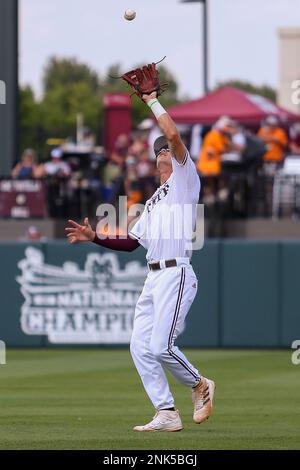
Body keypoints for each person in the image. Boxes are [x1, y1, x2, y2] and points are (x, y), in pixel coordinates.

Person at [65, 91, 215, 432]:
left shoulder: (184, 181)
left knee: (162, 346)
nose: (164, 150)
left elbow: (174, 135)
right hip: (153, 277)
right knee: (140, 346)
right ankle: (166, 412)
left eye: (167, 148)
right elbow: (133, 242)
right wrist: (95, 237)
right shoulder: (153, 201)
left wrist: (150, 100)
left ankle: (200, 385)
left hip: (177, 272)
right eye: (158, 149)